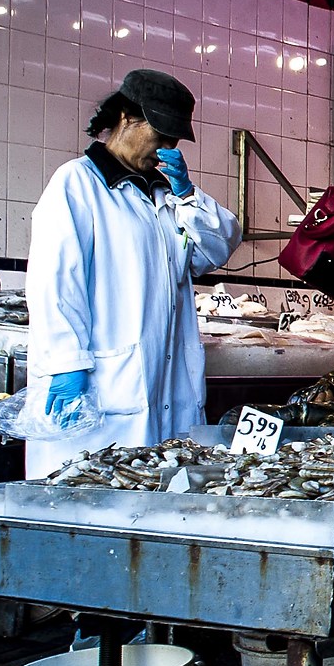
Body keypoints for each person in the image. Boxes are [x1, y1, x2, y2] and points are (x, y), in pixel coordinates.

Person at [24, 70, 243, 478]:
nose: (166, 148)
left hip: (165, 392)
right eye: (160, 135)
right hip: (104, 391)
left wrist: (187, 194)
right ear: (126, 116)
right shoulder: (77, 185)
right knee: (89, 492)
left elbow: (217, 247)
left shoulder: (166, 196)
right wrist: (65, 362)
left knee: (156, 492)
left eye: (174, 140)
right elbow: (55, 284)